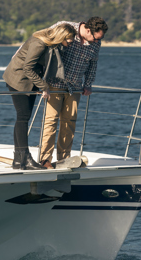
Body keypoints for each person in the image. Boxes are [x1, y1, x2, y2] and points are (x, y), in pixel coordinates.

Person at [3, 23, 77, 170]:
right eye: (69, 41)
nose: (70, 44)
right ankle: (26, 158)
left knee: (23, 118)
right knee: (23, 117)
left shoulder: (51, 44)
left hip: (30, 82)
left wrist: (38, 85)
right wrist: (43, 86)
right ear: (62, 36)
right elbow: (27, 68)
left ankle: (18, 161)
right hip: (18, 80)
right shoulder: (39, 43)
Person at [39, 16, 108, 168]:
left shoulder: (96, 43)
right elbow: (41, 42)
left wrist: (88, 84)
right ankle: (45, 160)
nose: (97, 42)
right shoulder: (65, 27)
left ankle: (64, 159)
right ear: (88, 30)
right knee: (50, 122)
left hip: (75, 88)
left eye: (99, 39)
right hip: (55, 84)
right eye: (95, 38)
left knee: (69, 124)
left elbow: (92, 64)